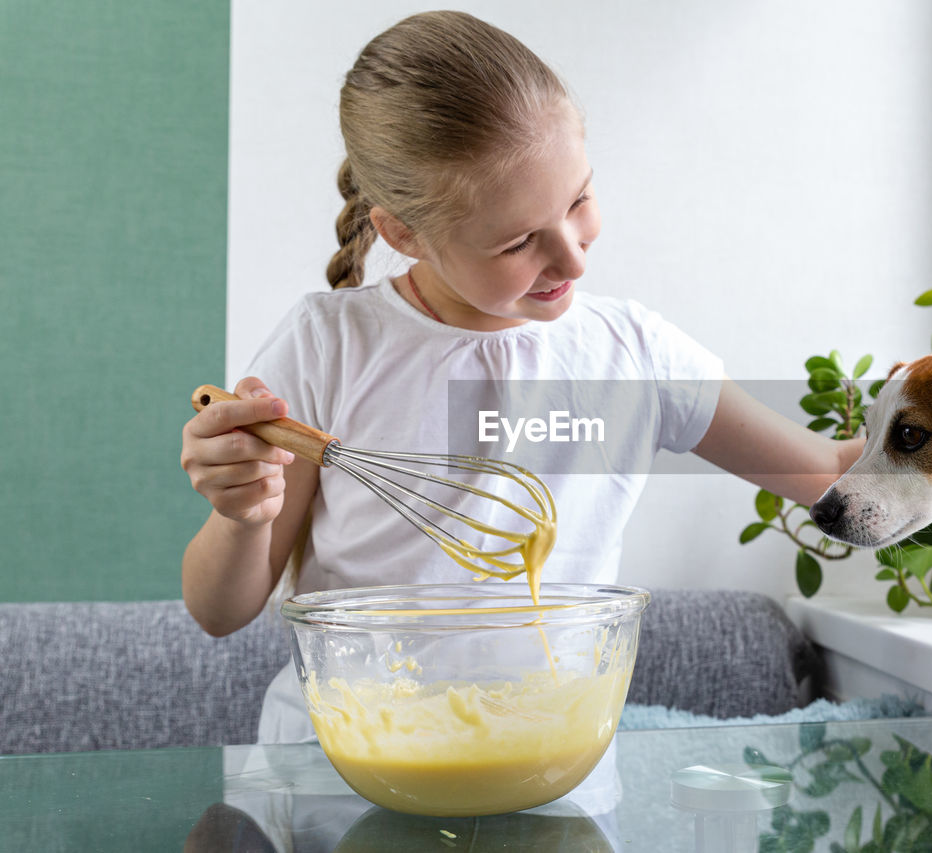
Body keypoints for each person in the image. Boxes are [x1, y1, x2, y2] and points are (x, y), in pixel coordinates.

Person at [181, 9, 861, 752]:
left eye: (578, 200)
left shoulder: (631, 356)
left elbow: (827, 474)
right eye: (518, 241)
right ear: (403, 232)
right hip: (345, 767)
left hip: (548, 765)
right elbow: (219, 610)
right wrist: (243, 512)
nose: (573, 259)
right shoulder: (329, 345)